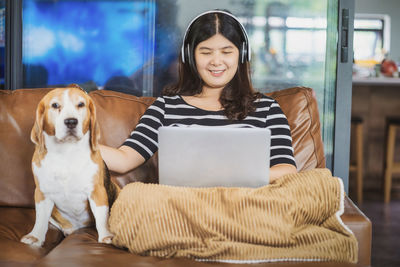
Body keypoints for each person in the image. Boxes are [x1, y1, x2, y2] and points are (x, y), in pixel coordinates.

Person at [100, 10, 297, 182]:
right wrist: (73, 148)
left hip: (244, 204)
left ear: (242, 55)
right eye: (206, 52)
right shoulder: (166, 107)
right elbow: (124, 159)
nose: (216, 61)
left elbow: (286, 169)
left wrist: (232, 175)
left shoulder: (267, 109)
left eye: (226, 52)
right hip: (184, 206)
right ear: (190, 56)